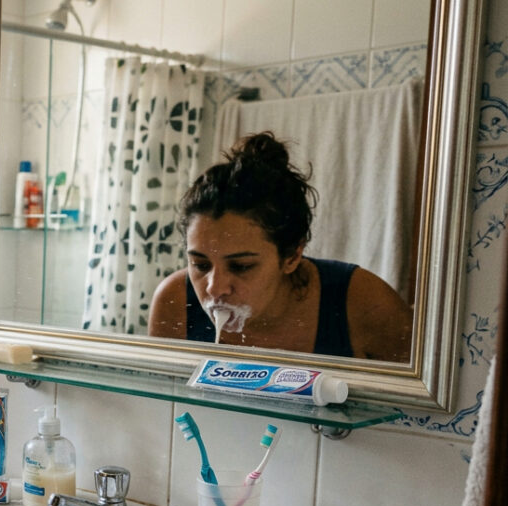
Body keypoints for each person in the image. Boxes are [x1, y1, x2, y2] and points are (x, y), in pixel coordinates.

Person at [148, 132, 412, 362]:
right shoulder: (175, 301)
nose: (214, 288)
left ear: (293, 256)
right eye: (201, 265)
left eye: (241, 266)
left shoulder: (364, 302)